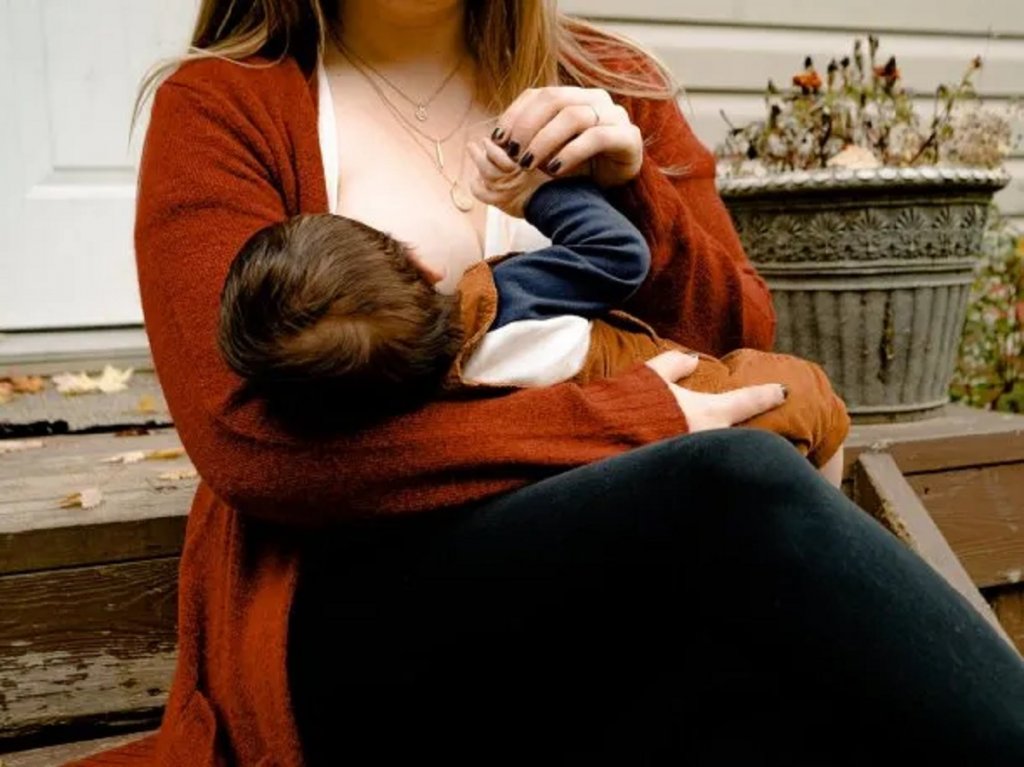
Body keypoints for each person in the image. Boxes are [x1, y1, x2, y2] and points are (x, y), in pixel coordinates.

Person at [73, 2, 1024, 765]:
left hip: (612, 599)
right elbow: (252, 442)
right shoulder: (225, 105)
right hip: (360, 607)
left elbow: (739, 347)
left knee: (786, 698)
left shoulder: (612, 82)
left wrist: (635, 190)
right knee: (732, 486)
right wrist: (632, 418)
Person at [218, 166, 848, 481]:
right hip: (714, 399)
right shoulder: (508, 299)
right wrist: (537, 194)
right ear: (420, 264)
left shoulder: (421, 409)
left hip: (637, 475)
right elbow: (618, 254)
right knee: (815, 401)